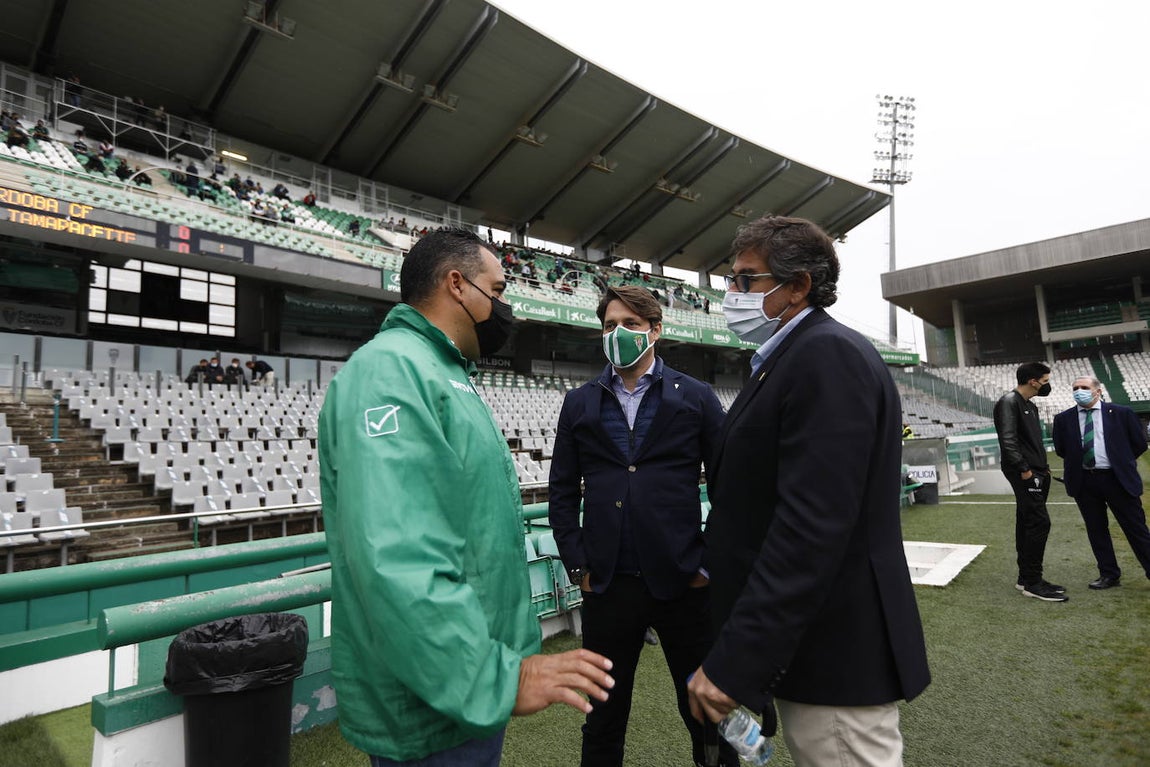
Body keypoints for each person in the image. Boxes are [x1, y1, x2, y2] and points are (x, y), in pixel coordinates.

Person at [319, 228, 614, 766]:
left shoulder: (447, 371)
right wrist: (491, 678)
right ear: (457, 285)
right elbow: (397, 555)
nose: (503, 307)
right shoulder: (389, 371)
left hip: (461, 692)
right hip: (432, 701)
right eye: (496, 291)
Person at [687, 216, 930, 767]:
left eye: (747, 280)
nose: (732, 294)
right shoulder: (788, 359)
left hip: (833, 648)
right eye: (730, 279)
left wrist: (737, 659)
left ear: (798, 286)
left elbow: (810, 528)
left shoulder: (825, 355)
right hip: (809, 644)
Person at [548, 286, 735, 767]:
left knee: (705, 709)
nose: (618, 333)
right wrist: (578, 569)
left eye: (630, 324)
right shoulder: (579, 402)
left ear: (655, 330)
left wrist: (707, 564)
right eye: (610, 325)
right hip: (608, 587)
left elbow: (729, 488)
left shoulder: (695, 397)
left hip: (684, 582)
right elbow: (563, 492)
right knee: (603, 718)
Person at [1052, 376, 1150, 590]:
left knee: (1136, 529)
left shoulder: (1122, 413)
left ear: (1097, 391)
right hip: (1084, 482)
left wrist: (1120, 461)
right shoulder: (1063, 419)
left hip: (1117, 480)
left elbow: (1139, 444)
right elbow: (1061, 449)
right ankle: (1109, 574)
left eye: (1084, 387)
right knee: (1096, 530)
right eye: (1075, 388)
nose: (1079, 391)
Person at [993, 361, 1068, 602]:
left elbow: (1031, 442)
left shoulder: (1029, 405)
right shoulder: (1008, 402)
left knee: (1027, 520)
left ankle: (1026, 577)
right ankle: (1033, 583)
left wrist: (1042, 469)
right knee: (1039, 522)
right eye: (1045, 381)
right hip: (1024, 473)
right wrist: (1025, 470)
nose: (1048, 385)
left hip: (1037, 471)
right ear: (1032, 381)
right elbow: (1008, 441)